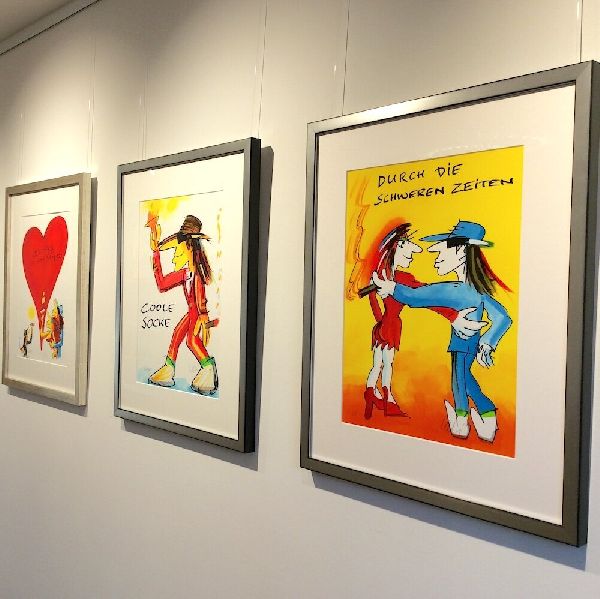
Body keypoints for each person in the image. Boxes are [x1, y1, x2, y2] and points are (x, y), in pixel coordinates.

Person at [373, 220, 511, 441]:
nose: (437, 260)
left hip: (462, 344)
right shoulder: (477, 290)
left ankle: (463, 421)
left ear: (460, 251)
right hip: (470, 342)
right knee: (464, 378)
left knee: (459, 380)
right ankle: (485, 416)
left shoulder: (457, 290)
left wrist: (391, 287)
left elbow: (419, 297)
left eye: (440, 253)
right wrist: (487, 343)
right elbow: (503, 318)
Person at [361, 223, 485, 420]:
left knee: (378, 364)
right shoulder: (401, 278)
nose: (416, 251)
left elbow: (378, 301)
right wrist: (452, 316)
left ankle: (371, 393)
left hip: (382, 326)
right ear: (397, 247)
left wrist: (380, 322)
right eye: (407, 244)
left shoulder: (382, 277)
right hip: (391, 326)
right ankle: (388, 399)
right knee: (387, 364)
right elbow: (428, 298)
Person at [146, 213, 218, 395]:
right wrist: (156, 253)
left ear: (188, 248)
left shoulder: (196, 275)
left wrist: (203, 317)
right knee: (178, 334)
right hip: (193, 311)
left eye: (177, 250)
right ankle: (167, 371)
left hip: (197, 312)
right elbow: (162, 284)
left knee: (192, 341)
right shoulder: (185, 274)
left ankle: (208, 369)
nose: (174, 256)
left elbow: (200, 296)